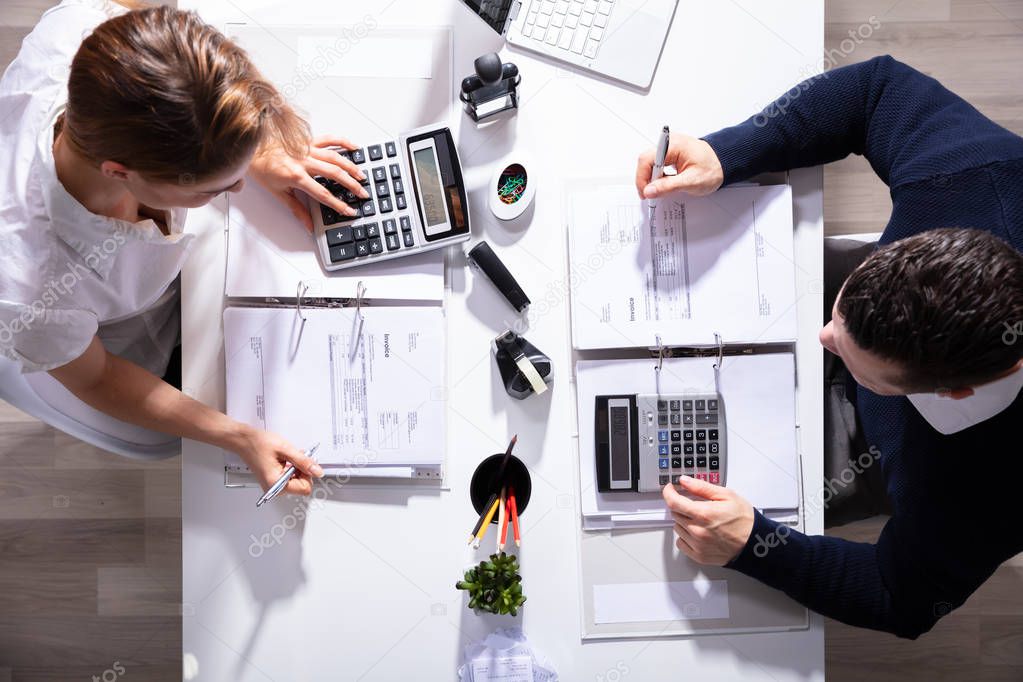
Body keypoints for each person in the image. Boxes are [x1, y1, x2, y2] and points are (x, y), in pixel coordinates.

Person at [635, 55, 1023, 639]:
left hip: (875, 456)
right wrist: (731, 152)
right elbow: (874, 91)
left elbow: (901, 596)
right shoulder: (972, 177)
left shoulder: (987, 493)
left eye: (847, 350)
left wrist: (754, 546)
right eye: (838, 317)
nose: (823, 338)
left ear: (955, 391)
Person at [0, 0, 369, 494]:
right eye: (214, 188)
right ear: (121, 173)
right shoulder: (34, 287)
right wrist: (237, 436)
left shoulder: (90, 31)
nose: (236, 191)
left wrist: (256, 150)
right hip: (100, 343)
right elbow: (98, 378)